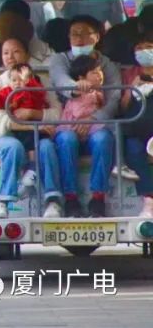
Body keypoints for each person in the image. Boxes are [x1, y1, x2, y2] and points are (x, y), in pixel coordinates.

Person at [0, 38, 64, 219]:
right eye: (6, 53)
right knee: (13, 147)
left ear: (27, 55)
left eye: (16, 52)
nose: (10, 57)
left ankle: (52, 201)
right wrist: (32, 127)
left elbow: (57, 112)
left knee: (46, 147)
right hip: (4, 136)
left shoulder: (40, 82)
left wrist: (32, 113)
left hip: (38, 135)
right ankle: (3, 202)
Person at [55, 55, 114, 218]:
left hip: (92, 134)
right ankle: (70, 198)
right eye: (94, 72)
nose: (99, 75)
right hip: (71, 131)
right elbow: (76, 112)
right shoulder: (73, 91)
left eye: (100, 71)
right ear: (81, 78)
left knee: (104, 139)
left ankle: (98, 197)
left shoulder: (101, 93)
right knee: (66, 140)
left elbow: (107, 111)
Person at [120, 32, 153, 217]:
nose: (143, 51)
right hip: (136, 130)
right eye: (139, 49)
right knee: (132, 148)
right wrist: (132, 88)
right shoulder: (130, 74)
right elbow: (123, 107)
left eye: (148, 47)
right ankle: (149, 198)